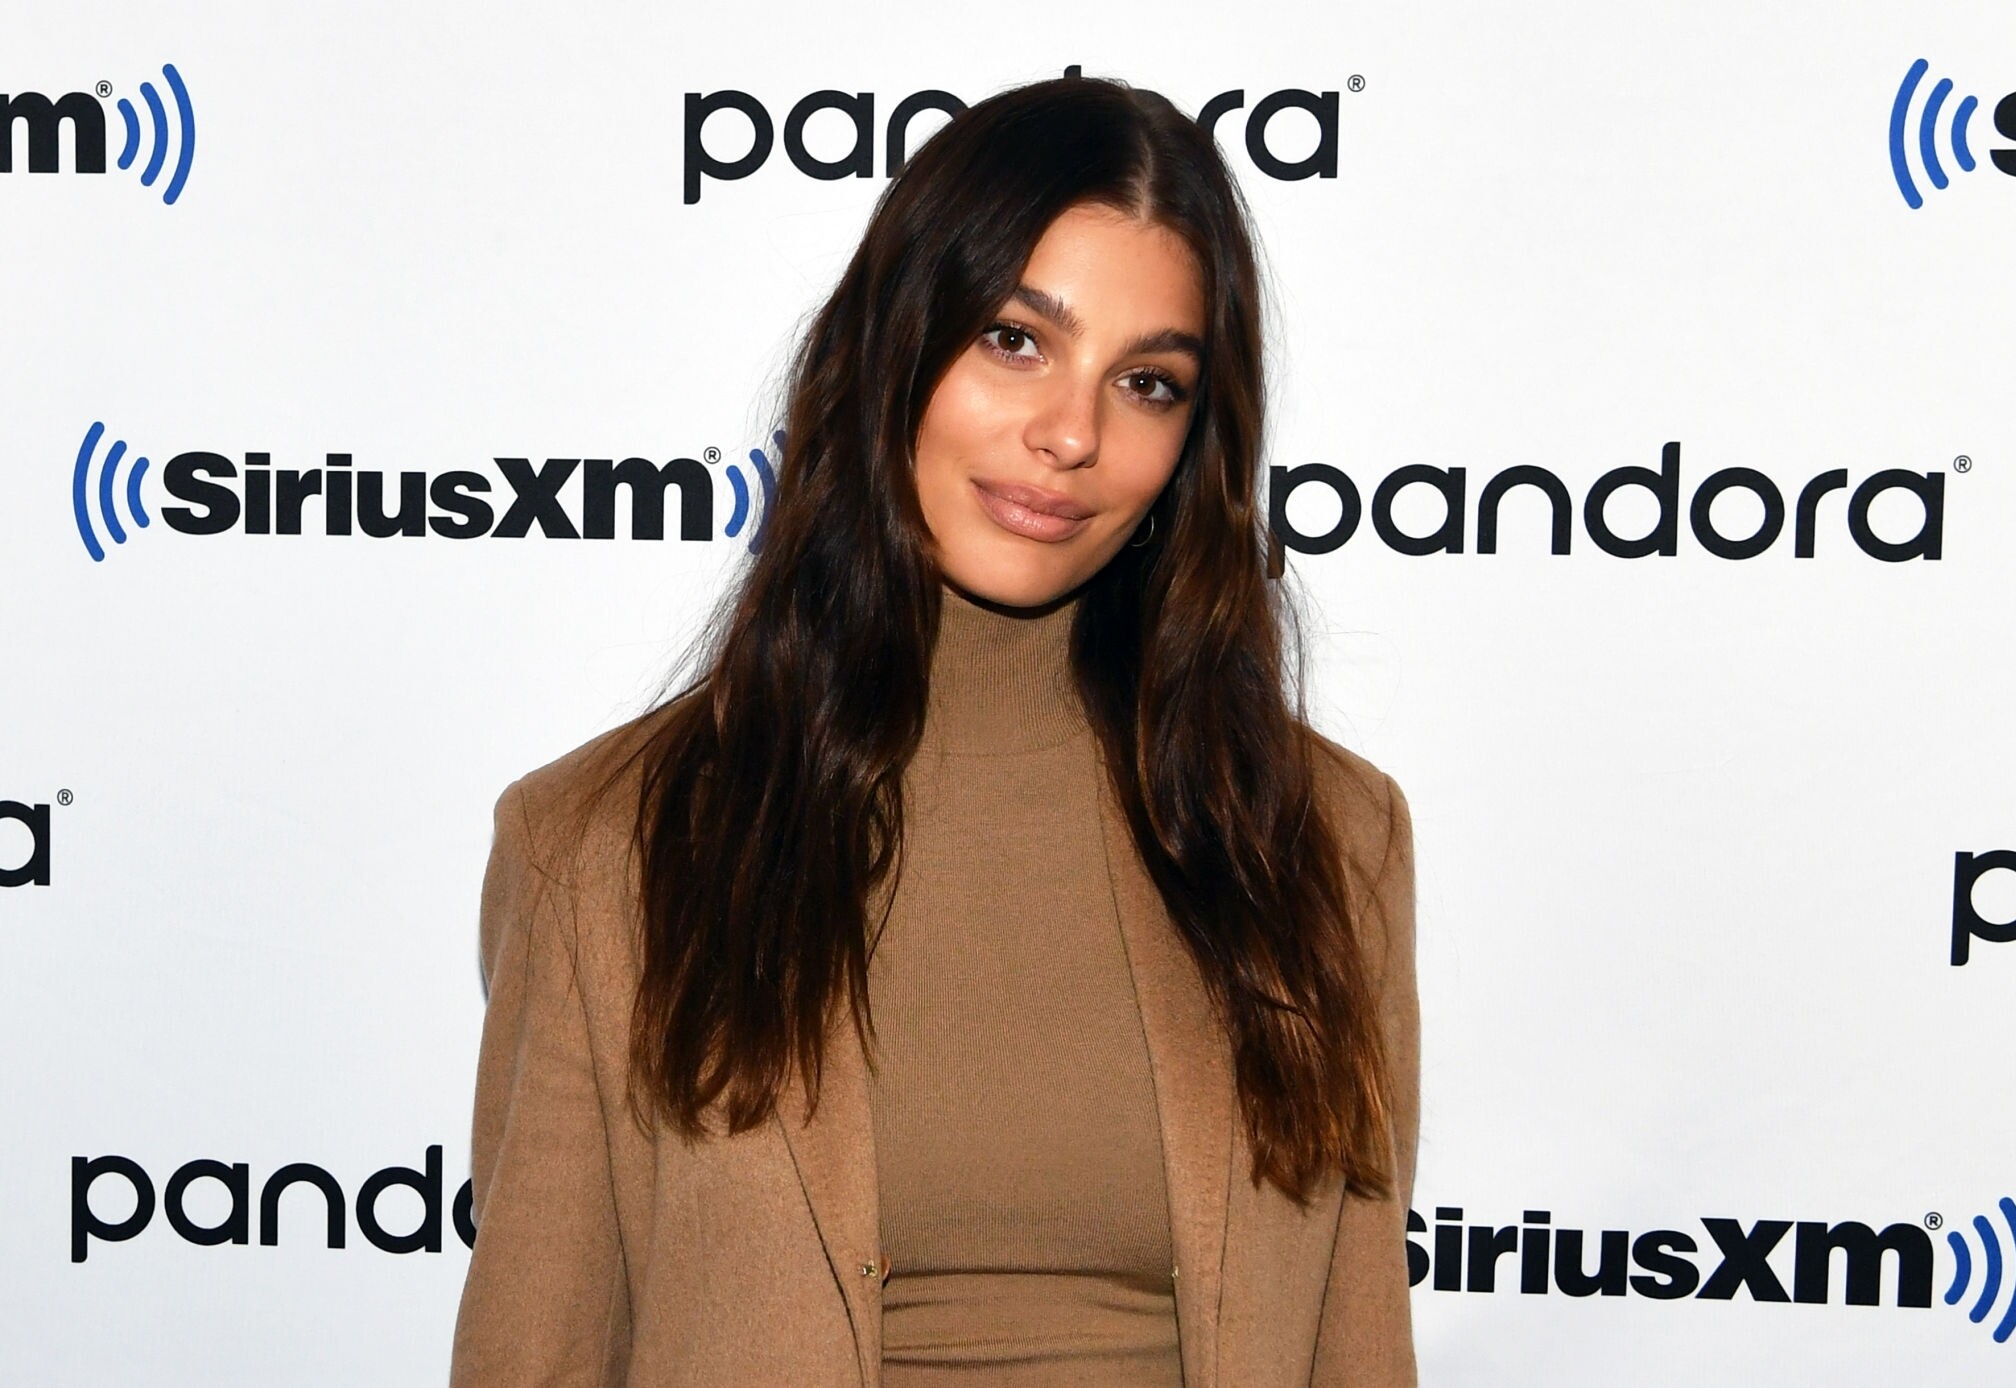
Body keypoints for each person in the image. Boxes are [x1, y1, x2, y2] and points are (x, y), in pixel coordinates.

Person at [450, 74, 1419, 1387]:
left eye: (1147, 382)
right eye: (1016, 340)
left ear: (1195, 442)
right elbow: (539, 1353)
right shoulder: (604, 848)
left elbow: (1359, 1349)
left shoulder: (1316, 840)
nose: (1071, 433)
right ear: (891, 349)